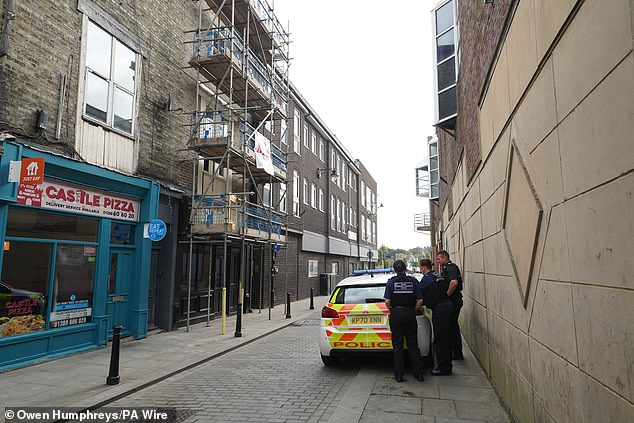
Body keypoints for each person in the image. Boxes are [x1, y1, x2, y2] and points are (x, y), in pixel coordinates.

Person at [384, 259, 424, 382]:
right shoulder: (413, 281)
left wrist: (392, 311)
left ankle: (399, 375)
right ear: (405, 268)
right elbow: (420, 300)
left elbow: (387, 301)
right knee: (413, 344)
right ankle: (419, 374)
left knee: (397, 346)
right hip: (410, 313)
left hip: (396, 314)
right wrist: (414, 310)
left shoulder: (391, 282)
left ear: (395, 269)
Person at [419, 258, 453, 376]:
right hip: (446, 305)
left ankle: (443, 368)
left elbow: (418, 293)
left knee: (440, 339)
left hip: (439, 309)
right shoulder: (437, 275)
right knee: (446, 337)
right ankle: (447, 365)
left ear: (423, 267)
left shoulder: (427, 278)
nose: (420, 269)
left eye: (420, 267)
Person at [436, 250, 464, 361]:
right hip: (452, 301)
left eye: (439, 259)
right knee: (452, 326)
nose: (437, 261)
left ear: (444, 258)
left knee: (452, 327)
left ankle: (457, 353)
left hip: (454, 301)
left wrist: (447, 295)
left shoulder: (450, 268)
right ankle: (456, 351)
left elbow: (454, 282)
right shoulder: (446, 268)